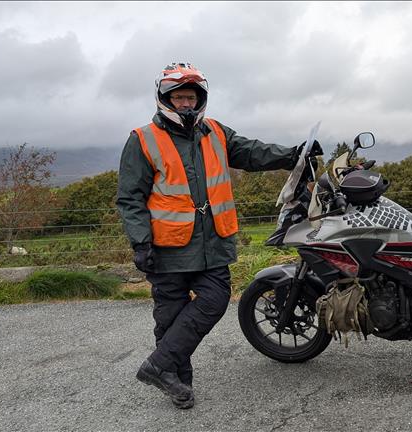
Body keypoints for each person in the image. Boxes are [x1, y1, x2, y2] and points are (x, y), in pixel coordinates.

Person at [116, 62, 318, 409]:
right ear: (166, 99)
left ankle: (157, 365)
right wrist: (141, 240)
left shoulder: (215, 132)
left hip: (212, 244)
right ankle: (179, 384)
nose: (186, 104)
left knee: (215, 300)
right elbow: (129, 197)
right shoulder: (143, 140)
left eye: (191, 97)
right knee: (170, 316)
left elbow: (253, 152)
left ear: (200, 98)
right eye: (178, 97)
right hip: (167, 247)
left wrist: (293, 155)